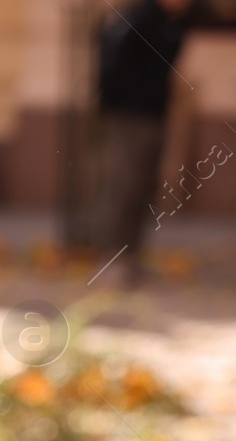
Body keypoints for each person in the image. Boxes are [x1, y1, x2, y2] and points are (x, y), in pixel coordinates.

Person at [93, 0, 195, 280]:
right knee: (124, 184)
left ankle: (131, 255)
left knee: (144, 187)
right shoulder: (139, 21)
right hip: (128, 116)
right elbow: (113, 67)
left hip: (153, 116)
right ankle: (111, 256)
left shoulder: (175, 24)